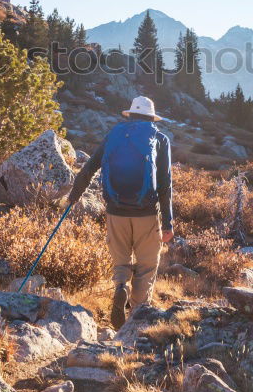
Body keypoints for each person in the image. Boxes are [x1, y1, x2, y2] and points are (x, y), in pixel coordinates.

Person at [67, 95, 174, 327]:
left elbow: (89, 168)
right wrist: (168, 223)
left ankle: (121, 286)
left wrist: (73, 197)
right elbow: (165, 184)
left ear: (131, 114)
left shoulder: (114, 135)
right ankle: (136, 319)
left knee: (121, 261)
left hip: (115, 211)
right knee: (146, 266)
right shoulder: (159, 138)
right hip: (146, 213)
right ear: (151, 117)